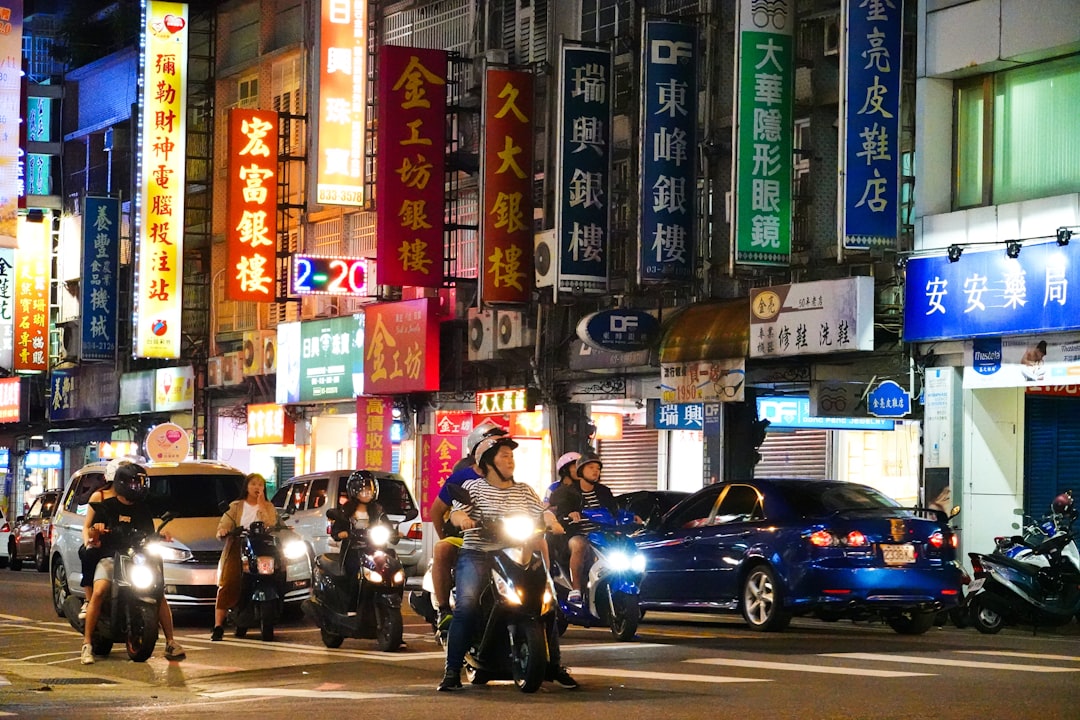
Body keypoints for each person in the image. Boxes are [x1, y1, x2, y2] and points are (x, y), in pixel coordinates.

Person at [437, 433, 576, 692]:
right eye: (504, 456)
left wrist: (551, 521)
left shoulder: (524, 490)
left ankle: (555, 665)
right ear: (488, 461)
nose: (510, 460)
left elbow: (541, 510)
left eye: (512, 456)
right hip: (479, 553)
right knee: (466, 607)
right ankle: (452, 670)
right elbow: (456, 511)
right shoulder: (473, 488)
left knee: (548, 604)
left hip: (515, 553)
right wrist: (462, 521)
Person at [81, 463, 186, 665]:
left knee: (158, 594)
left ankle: (171, 642)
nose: (138, 486)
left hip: (137, 559)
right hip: (111, 557)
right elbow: (93, 532)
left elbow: (149, 534)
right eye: (133, 482)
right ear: (122, 483)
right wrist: (97, 530)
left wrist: (160, 536)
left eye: (140, 482)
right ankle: (87, 644)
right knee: (100, 590)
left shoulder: (143, 510)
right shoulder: (106, 507)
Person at [427, 420, 506, 636]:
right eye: (495, 443)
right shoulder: (461, 477)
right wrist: (447, 534)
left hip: (505, 540)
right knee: (442, 548)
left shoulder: (509, 477)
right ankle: (444, 610)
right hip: (468, 539)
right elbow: (436, 510)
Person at [211, 472, 280, 641]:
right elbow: (224, 525)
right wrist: (224, 531)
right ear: (246, 487)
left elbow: (271, 523)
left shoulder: (268, 507)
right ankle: (218, 626)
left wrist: (261, 504)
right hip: (239, 546)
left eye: (260, 484)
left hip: (262, 546)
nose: (257, 487)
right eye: (253, 484)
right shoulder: (235, 506)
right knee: (229, 582)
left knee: (277, 573)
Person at [548, 452, 618, 605]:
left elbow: (615, 512)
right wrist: (569, 515)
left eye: (598, 468)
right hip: (577, 535)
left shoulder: (604, 491)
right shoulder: (567, 492)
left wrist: (632, 518)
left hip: (602, 536)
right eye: (591, 467)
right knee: (579, 544)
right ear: (581, 470)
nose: (595, 471)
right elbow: (559, 514)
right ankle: (576, 589)